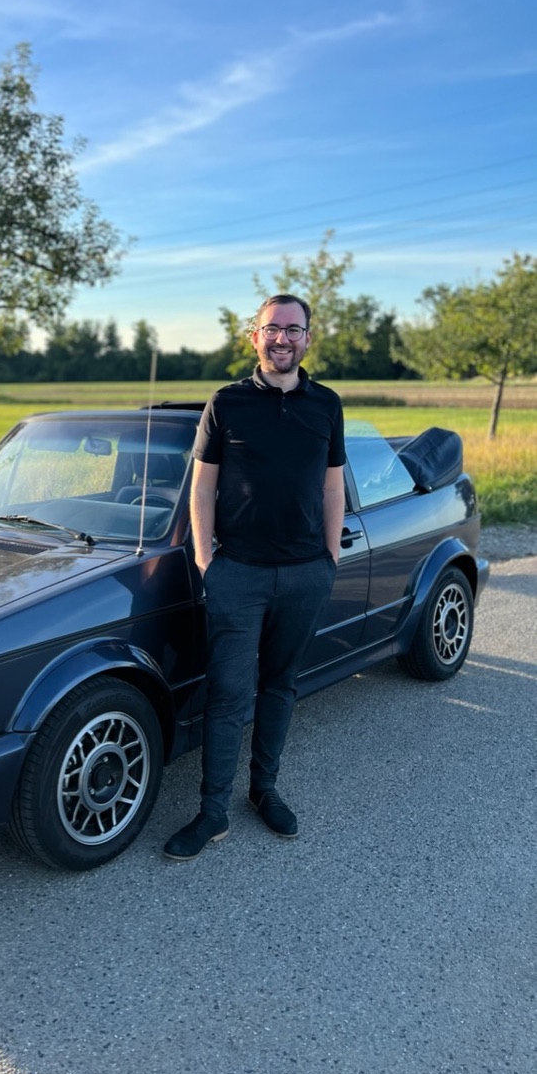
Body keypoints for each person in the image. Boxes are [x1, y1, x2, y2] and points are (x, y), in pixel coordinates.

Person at [164, 293, 346, 861]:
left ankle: (264, 790)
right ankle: (212, 812)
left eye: (293, 329)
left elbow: (332, 485)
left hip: (305, 575)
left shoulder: (327, 405)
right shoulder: (227, 402)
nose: (282, 338)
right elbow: (202, 486)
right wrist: (206, 560)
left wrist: (329, 557)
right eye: (272, 329)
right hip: (238, 574)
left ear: (307, 338)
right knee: (228, 694)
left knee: (281, 686)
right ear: (255, 337)